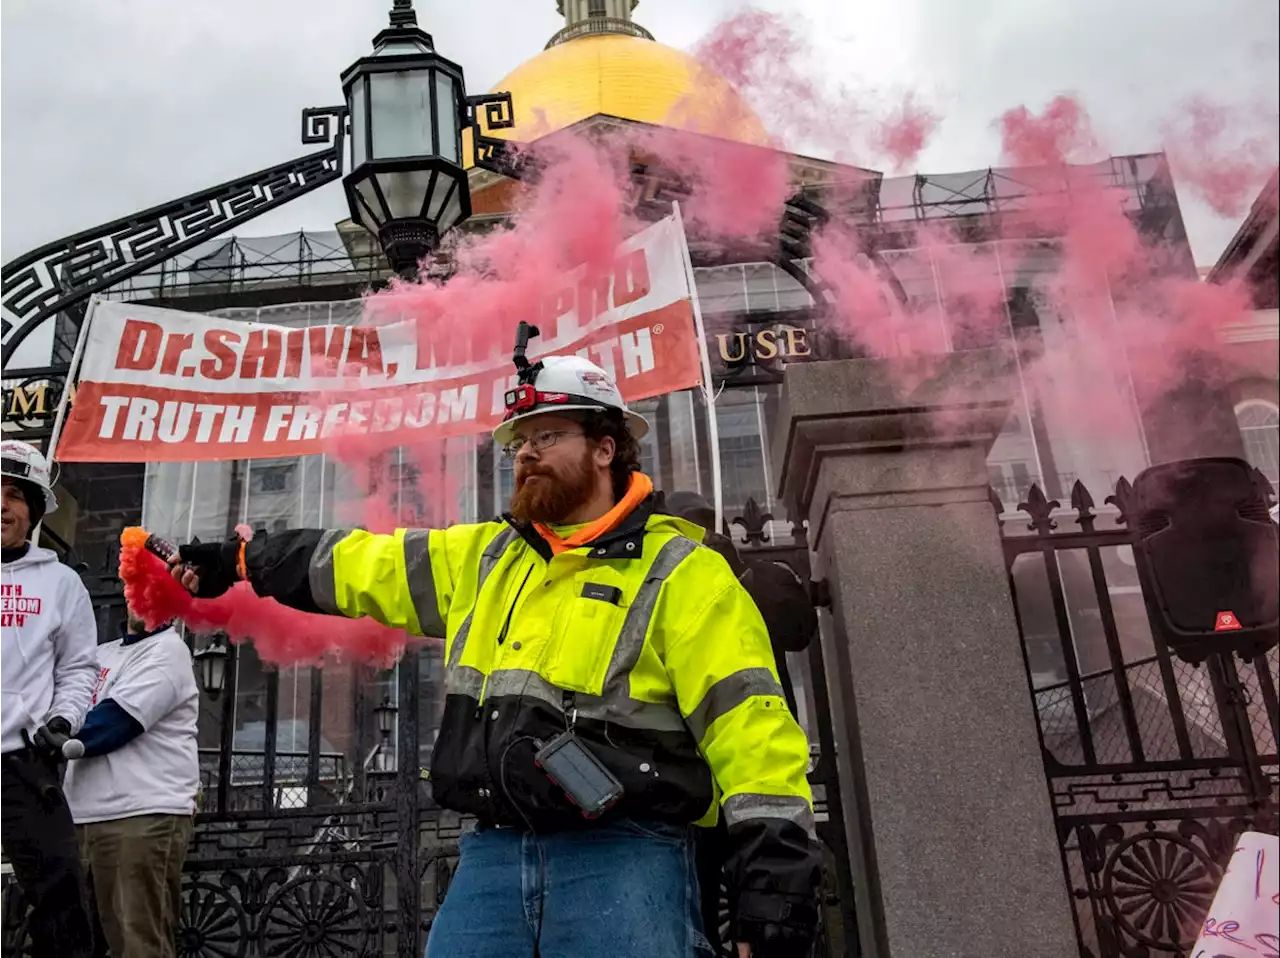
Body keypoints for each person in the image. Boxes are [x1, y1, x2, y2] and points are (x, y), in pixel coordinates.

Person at [172, 327, 822, 958]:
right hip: (490, 856)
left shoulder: (683, 569)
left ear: (604, 447)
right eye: (519, 441)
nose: (526, 453)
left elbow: (752, 733)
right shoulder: (485, 556)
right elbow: (359, 563)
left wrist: (774, 884)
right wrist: (240, 558)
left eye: (548, 435)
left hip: (629, 854)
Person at [663, 491, 819, 956]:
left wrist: (741, 574)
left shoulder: (752, 578)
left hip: (742, 763)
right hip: (700, 774)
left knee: (758, 896)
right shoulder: (671, 583)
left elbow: (798, 627)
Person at [0, 439, 98, 958]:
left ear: (33, 510)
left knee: (60, 897)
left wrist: (62, 720)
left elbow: (80, 668)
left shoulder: (61, 583)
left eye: (14, 495)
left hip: (25, 763)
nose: (0, 505)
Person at [63, 602, 200, 958]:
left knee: (137, 944)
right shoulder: (101, 654)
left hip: (141, 814)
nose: (141, 598)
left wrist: (54, 735)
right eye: (135, 586)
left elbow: (115, 722)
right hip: (82, 815)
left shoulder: (170, 651)